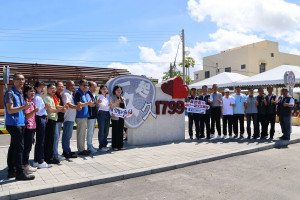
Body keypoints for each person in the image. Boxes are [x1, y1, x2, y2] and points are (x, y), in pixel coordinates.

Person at [4, 72, 35, 180]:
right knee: (19, 148)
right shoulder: (10, 93)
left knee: (13, 147)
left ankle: (12, 171)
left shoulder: (20, 93)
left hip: (20, 123)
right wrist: (24, 106)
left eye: (23, 79)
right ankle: (20, 173)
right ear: (14, 80)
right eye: (19, 79)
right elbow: (10, 110)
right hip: (13, 124)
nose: (22, 81)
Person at [43, 84, 65, 164]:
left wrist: (62, 108)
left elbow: (55, 107)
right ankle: (48, 158)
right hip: (50, 120)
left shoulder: (51, 97)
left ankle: (50, 156)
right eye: (52, 88)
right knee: (49, 140)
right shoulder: (47, 98)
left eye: (55, 88)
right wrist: (60, 110)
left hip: (53, 120)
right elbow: (51, 110)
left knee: (51, 139)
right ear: (47, 89)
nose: (54, 90)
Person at [33, 81, 52, 169]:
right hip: (40, 119)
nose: (42, 89)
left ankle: (37, 161)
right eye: (40, 87)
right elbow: (37, 112)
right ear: (36, 88)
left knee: (40, 141)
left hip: (41, 118)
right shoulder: (37, 97)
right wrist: (45, 108)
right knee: (41, 141)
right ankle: (40, 161)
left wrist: (45, 113)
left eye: (43, 87)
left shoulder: (39, 97)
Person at [74, 79, 94, 155]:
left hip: (84, 116)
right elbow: (80, 104)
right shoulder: (78, 93)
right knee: (81, 133)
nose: (85, 87)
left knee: (83, 133)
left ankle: (82, 148)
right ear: (79, 85)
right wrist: (88, 103)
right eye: (84, 85)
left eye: (86, 85)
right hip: (80, 116)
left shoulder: (83, 93)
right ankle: (81, 150)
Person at [61, 80, 80, 158]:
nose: (73, 87)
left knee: (68, 136)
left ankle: (67, 150)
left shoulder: (70, 94)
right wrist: (77, 107)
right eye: (72, 85)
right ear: (67, 85)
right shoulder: (65, 94)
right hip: (68, 118)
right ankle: (66, 152)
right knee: (66, 135)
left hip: (71, 118)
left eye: (74, 85)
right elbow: (68, 104)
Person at [23, 85, 39, 174]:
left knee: (28, 147)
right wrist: (34, 111)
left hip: (32, 127)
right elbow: (27, 115)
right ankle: (25, 166)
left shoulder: (31, 102)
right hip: (28, 127)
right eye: (30, 91)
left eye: (33, 91)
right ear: (26, 92)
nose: (33, 93)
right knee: (27, 147)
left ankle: (25, 164)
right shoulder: (27, 102)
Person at [53, 81, 67, 161]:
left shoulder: (59, 95)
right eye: (59, 86)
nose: (61, 88)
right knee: (56, 138)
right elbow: (56, 106)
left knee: (56, 138)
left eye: (62, 86)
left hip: (59, 120)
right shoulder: (55, 95)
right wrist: (63, 108)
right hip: (56, 120)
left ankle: (55, 153)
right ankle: (55, 154)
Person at [110, 85, 126, 150]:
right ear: (114, 91)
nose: (119, 91)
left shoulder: (122, 98)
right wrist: (116, 102)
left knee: (120, 131)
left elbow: (124, 107)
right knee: (115, 131)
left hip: (121, 117)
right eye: (117, 90)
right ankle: (114, 146)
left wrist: (125, 115)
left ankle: (120, 145)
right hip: (115, 117)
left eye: (120, 90)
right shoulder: (112, 98)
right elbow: (112, 107)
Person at [97, 85, 111, 152]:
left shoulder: (108, 97)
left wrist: (110, 106)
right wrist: (108, 105)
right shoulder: (99, 97)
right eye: (103, 89)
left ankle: (105, 145)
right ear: (100, 90)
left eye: (105, 89)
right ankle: (101, 145)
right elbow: (102, 106)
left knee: (106, 130)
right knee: (102, 130)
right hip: (102, 113)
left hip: (107, 113)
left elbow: (109, 107)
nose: (104, 90)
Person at [86, 81, 98, 154]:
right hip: (90, 116)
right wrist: (96, 102)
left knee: (92, 131)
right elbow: (91, 105)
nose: (95, 88)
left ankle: (90, 145)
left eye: (96, 87)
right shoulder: (88, 94)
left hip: (94, 115)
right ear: (89, 87)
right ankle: (89, 146)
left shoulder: (93, 94)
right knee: (90, 132)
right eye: (93, 86)